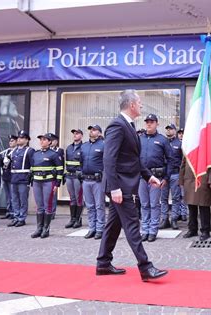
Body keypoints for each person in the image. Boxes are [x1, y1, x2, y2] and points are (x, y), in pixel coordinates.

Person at [96, 89, 168, 282]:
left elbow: (132, 159)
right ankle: (145, 267)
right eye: (140, 102)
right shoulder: (117, 125)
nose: (142, 105)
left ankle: (103, 263)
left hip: (124, 185)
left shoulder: (129, 125)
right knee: (132, 226)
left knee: (113, 225)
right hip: (120, 187)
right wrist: (114, 188)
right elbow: (109, 159)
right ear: (132, 104)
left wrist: (148, 176)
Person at [138, 114, 175, 242]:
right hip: (142, 178)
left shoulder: (163, 140)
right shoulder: (139, 139)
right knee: (144, 205)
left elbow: (171, 160)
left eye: (151, 122)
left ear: (156, 124)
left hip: (156, 177)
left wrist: (166, 177)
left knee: (154, 205)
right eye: (147, 122)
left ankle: (153, 230)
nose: (149, 124)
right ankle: (145, 230)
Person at [180, 145, 211, 241]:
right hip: (189, 179)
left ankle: (205, 230)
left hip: (203, 179)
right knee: (191, 206)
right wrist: (181, 179)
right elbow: (184, 163)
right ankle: (192, 229)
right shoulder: (190, 145)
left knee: (204, 206)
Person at [30, 133, 64, 238]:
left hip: (48, 182)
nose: (42, 141)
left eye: (44, 140)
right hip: (37, 182)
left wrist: (57, 184)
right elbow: (32, 168)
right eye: (41, 140)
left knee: (47, 206)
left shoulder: (54, 154)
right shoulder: (35, 154)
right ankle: (39, 228)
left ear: (49, 142)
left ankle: (46, 228)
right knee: (39, 206)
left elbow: (60, 170)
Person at [80, 124, 106, 239]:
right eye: (90, 130)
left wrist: (104, 175)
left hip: (98, 181)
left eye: (94, 130)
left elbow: (107, 163)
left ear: (100, 133)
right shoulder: (84, 146)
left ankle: (100, 228)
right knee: (90, 206)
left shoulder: (103, 145)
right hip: (86, 179)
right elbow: (81, 162)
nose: (91, 131)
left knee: (99, 205)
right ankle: (92, 228)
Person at [9, 130, 34, 227]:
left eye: (22, 138)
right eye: (19, 137)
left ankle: (22, 218)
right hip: (14, 177)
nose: (19, 139)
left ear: (27, 140)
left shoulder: (29, 150)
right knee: (14, 199)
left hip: (23, 178)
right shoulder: (14, 151)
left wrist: (30, 179)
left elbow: (33, 165)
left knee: (23, 199)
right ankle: (16, 216)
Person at [160, 123, 183, 230]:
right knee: (163, 198)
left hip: (175, 174)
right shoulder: (162, 142)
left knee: (175, 198)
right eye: (167, 129)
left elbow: (183, 160)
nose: (169, 131)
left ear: (175, 130)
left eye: (171, 129)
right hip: (164, 175)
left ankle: (174, 219)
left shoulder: (179, 143)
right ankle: (165, 219)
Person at [64, 129, 84, 229]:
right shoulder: (68, 148)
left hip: (78, 177)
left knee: (78, 198)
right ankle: (72, 219)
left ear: (81, 135)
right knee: (72, 198)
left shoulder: (83, 147)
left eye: (77, 133)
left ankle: (78, 219)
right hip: (69, 176)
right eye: (74, 134)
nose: (75, 135)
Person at [0, 135, 17, 220]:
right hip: (5, 175)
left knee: (13, 195)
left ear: (16, 142)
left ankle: (14, 212)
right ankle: (9, 211)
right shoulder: (6, 151)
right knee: (8, 195)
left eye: (12, 141)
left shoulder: (17, 151)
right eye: (10, 141)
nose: (10, 142)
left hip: (12, 175)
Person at [50, 134, 65, 218]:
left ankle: (52, 212)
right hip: (47, 175)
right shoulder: (47, 150)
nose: (51, 142)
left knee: (53, 194)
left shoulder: (59, 150)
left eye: (53, 140)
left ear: (56, 141)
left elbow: (61, 164)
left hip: (55, 175)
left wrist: (60, 176)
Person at [176, 128, 188, 221]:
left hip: (184, 172)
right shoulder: (175, 143)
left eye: (182, 133)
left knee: (184, 194)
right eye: (179, 133)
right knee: (177, 195)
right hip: (176, 171)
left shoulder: (187, 144)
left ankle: (184, 213)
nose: (181, 135)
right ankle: (179, 213)